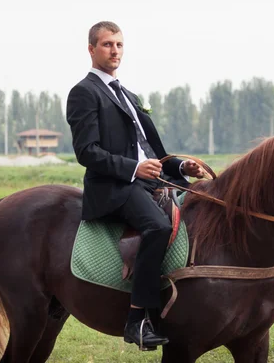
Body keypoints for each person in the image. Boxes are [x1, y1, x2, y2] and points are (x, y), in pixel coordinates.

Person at [66, 21, 204, 349]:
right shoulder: (84, 92)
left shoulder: (129, 95)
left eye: (119, 45)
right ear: (91, 49)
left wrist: (180, 166)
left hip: (149, 180)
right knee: (157, 227)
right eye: (107, 45)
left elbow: (150, 151)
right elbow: (87, 152)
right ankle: (138, 319)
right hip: (115, 187)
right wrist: (134, 169)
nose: (114, 51)